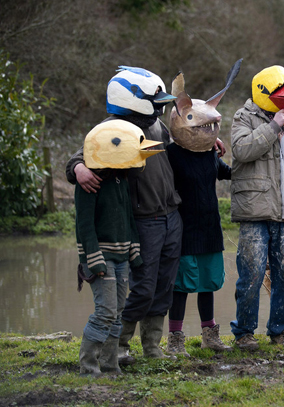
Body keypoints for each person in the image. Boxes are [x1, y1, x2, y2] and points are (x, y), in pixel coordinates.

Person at [66, 66, 184, 363]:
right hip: (143, 220)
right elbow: (83, 154)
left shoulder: (157, 125)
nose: (160, 107)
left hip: (171, 215)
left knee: (164, 285)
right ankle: (118, 347)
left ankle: (153, 347)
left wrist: (207, 147)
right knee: (142, 287)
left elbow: (176, 149)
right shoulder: (112, 128)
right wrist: (78, 168)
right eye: (155, 101)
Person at [229, 66, 284, 350]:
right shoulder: (243, 117)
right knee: (252, 275)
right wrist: (272, 127)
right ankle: (244, 334)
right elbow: (242, 150)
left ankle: (280, 332)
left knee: (283, 276)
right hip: (255, 212)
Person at [164, 64, 241, 355]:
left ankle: (210, 335)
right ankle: (175, 340)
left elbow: (225, 172)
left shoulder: (209, 153)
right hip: (182, 229)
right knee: (182, 285)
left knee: (208, 282)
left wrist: (253, 165)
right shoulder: (171, 155)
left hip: (209, 227)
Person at [75, 119, 162, 376]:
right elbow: (84, 227)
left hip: (122, 256)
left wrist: (134, 251)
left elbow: (127, 219)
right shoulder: (90, 182)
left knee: (117, 312)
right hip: (100, 256)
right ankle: (88, 367)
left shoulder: (121, 179)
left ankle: (110, 366)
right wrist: (93, 260)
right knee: (105, 311)